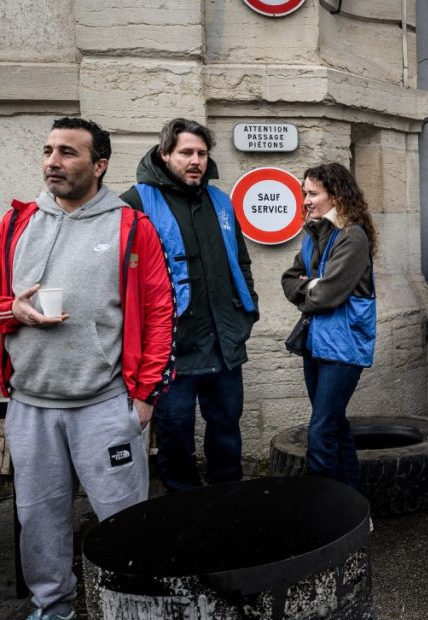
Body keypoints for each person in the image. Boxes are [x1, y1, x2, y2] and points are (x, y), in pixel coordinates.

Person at [0, 118, 174, 620]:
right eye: (48, 150)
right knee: (38, 517)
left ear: (99, 165)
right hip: (31, 405)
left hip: (104, 404)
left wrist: (145, 395)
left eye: (67, 152)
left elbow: (159, 313)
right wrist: (10, 310)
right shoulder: (19, 222)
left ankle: (140, 615)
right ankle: (54, 611)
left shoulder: (131, 227)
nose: (52, 161)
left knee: (124, 519)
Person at [120, 118, 258, 492]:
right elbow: (122, 277)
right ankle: (183, 503)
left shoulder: (221, 201)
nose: (196, 160)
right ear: (165, 154)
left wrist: (245, 313)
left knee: (226, 427)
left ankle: (227, 498)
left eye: (202, 153)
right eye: (186, 153)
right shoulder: (136, 203)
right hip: (172, 348)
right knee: (175, 431)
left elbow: (240, 261)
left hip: (223, 341)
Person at [280, 163, 377, 491]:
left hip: (343, 347)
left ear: (336, 195)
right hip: (315, 343)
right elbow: (288, 280)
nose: (306, 201)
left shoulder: (352, 236)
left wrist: (310, 287)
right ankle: (356, 506)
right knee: (335, 426)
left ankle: (323, 509)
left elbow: (326, 295)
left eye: (313, 193)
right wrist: (310, 286)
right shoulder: (314, 233)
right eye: (304, 193)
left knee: (320, 433)